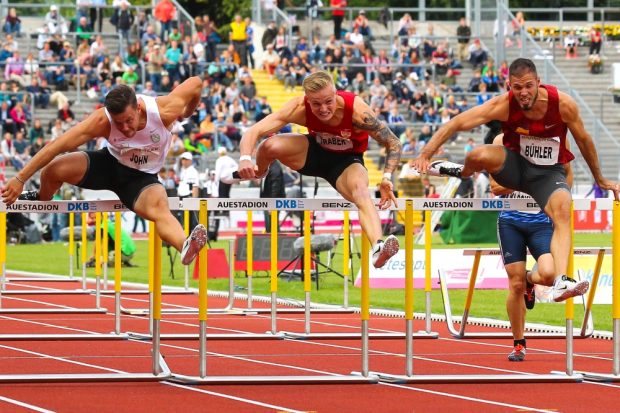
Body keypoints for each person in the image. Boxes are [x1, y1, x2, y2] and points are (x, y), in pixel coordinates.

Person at [412, 58, 619, 301]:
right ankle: (463, 172)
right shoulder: (504, 105)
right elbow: (457, 123)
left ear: (539, 83)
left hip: (547, 174)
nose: (523, 93)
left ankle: (562, 281)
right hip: (514, 167)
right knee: (477, 154)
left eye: (528, 86)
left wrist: (600, 179)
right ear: (509, 85)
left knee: (563, 210)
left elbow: (584, 141)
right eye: (517, 87)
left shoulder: (563, 105)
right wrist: (426, 152)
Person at [1, 78, 208, 266]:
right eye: (119, 123)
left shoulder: (165, 111)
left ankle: (185, 246)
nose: (125, 128)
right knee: (54, 169)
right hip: (109, 164)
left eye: (129, 120)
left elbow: (197, 83)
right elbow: (56, 146)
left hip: (141, 179)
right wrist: (20, 178)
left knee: (160, 209)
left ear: (138, 108)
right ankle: (42, 197)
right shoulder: (101, 120)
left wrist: (187, 112)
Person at [224, 70, 402, 268]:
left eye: (328, 101)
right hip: (312, 153)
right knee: (269, 145)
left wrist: (386, 178)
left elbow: (393, 143)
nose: (323, 109)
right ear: (307, 100)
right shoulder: (298, 107)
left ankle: (378, 247)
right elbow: (254, 130)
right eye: (316, 103)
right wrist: (245, 158)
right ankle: (259, 172)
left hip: (346, 163)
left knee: (360, 191)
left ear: (336, 94)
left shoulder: (358, 112)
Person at [491, 133, 574, 361]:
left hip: (541, 221)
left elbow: (567, 175)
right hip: (511, 221)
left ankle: (531, 279)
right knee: (515, 284)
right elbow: (496, 187)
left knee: (548, 275)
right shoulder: (501, 141)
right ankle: (519, 343)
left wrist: (555, 195)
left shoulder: (556, 138)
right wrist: (531, 182)